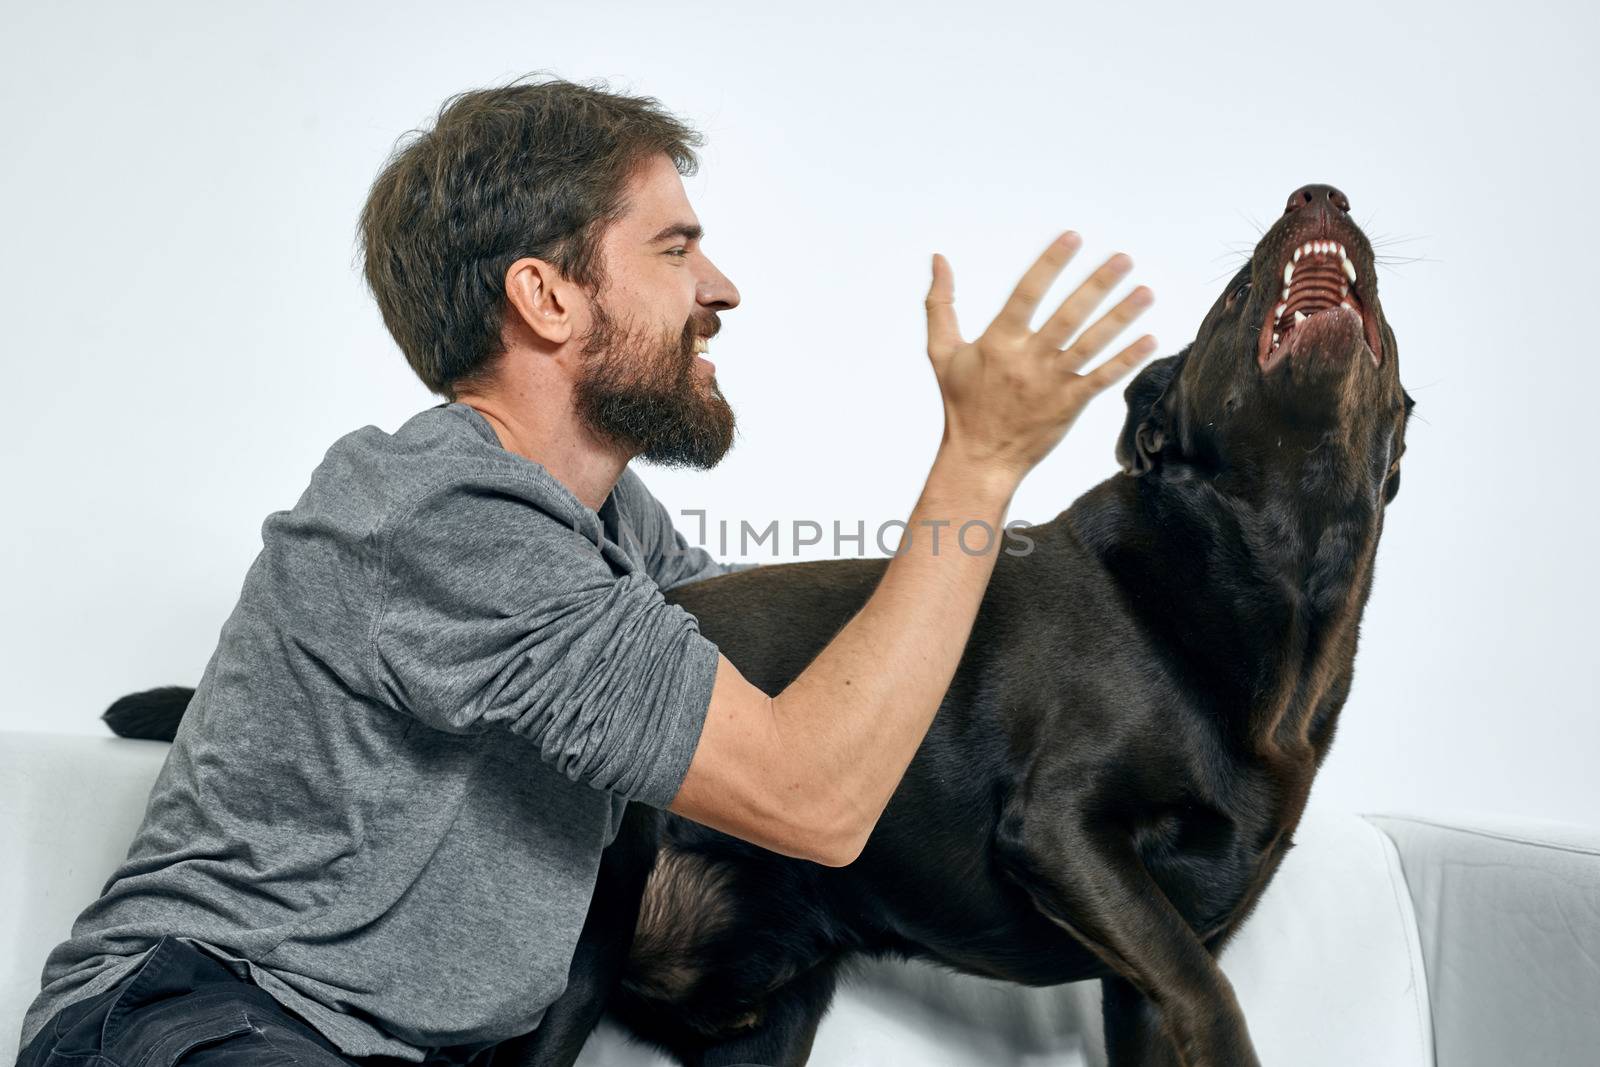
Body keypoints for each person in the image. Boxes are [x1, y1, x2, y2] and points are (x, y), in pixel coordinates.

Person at [14, 76, 1155, 1067]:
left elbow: (822, 698)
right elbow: (811, 794)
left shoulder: (612, 534)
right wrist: (979, 461)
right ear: (546, 295)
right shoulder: (440, 513)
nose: (722, 289)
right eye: (673, 248)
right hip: (197, 1020)